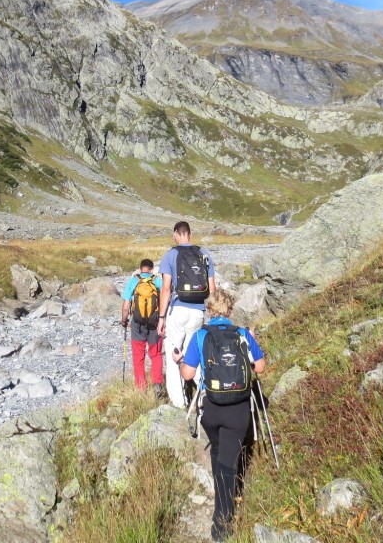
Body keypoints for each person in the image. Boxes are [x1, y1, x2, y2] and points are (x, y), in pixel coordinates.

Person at [175, 289, 267, 542]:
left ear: (209, 310)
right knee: (229, 460)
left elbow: (187, 375)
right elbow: (260, 367)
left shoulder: (200, 335)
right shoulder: (243, 334)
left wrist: (179, 360)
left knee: (218, 452)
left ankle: (221, 516)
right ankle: (223, 522)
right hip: (238, 408)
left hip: (211, 409)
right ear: (229, 310)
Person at [157, 220, 215, 408]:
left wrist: (161, 318)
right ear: (190, 233)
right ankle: (203, 395)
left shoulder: (170, 255)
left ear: (176, 234)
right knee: (195, 353)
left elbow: (166, 289)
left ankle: (179, 402)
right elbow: (212, 289)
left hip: (178, 310)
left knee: (174, 352)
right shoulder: (204, 254)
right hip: (198, 311)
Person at [120, 258, 164, 392]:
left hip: (137, 323)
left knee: (138, 356)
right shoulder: (157, 281)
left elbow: (126, 306)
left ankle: (141, 386)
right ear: (151, 269)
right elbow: (164, 301)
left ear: (140, 268)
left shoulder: (134, 281)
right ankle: (157, 383)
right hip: (155, 322)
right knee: (156, 354)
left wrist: (124, 320)